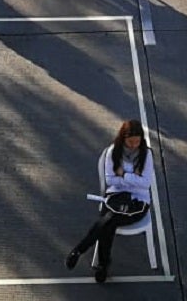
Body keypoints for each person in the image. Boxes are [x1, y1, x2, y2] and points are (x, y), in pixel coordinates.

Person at [65, 120, 154, 281]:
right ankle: (102, 265)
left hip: (138, 202)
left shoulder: (146, 155)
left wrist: (123, 175)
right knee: (109, 222)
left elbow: (145, 183)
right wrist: (134, 177)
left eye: (137, 141)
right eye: (130, 141)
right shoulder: (113, 152)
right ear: (123, 138)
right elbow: (110, 180)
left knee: (108, 221)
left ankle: (82, 251)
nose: (134, 145)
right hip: (115, 196)